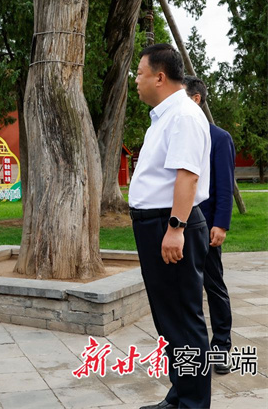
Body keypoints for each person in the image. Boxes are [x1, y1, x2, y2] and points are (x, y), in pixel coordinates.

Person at [129, 44, 212, 409]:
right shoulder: (165, 116)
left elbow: (187, 176)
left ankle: (193, 403)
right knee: (169, 321)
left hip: (171, 223)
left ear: (160, 77)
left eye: (140, 74)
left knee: (183, 320)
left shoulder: (183, 115)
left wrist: (175, 228)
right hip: (157, 224)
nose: (136, 80)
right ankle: (180, 395)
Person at [184, 75, 235, 374]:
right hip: (178, 225)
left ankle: (221, 348)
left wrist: (221, 224)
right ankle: (192, 350)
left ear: (196, 99)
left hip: (206, 226)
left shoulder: (219, 137)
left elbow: (225, 186)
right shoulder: (179, 136)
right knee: (185, 292)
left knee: (213, 287)